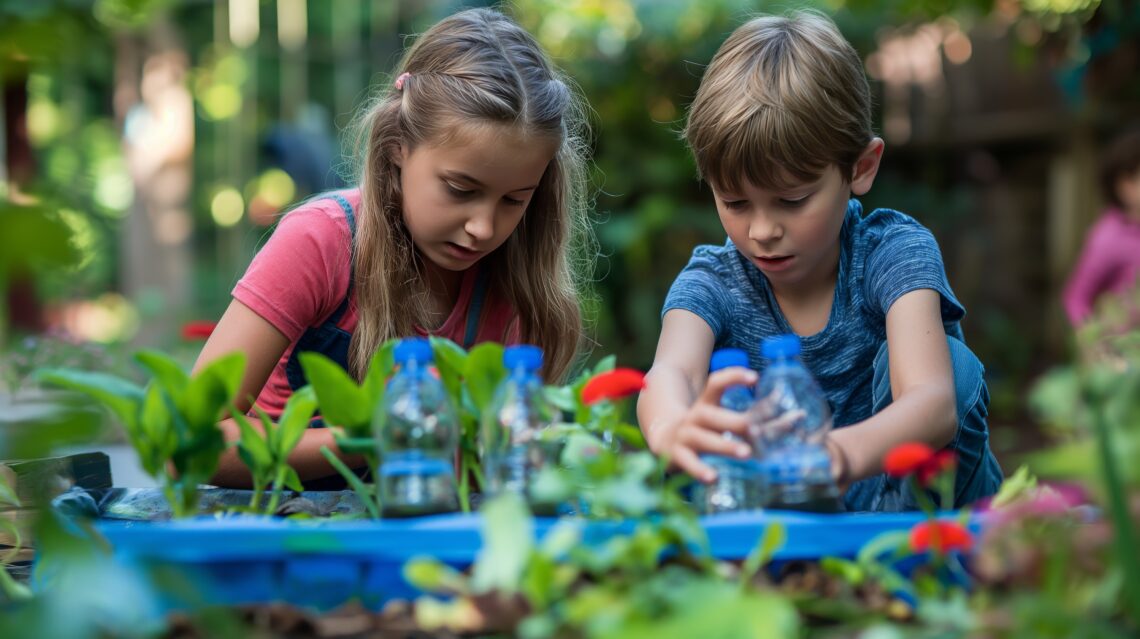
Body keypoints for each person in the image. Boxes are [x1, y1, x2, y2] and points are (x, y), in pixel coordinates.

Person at [193, 8, 594, 488]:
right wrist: (376, 438)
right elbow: (191, 443)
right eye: (460, 189)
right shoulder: (320, 241)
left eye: (514, 200)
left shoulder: (518, 285)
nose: (484, 228)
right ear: (397, 148)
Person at [636, 11, 1002, 512]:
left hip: (922, 504)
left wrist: (834, 455)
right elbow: (670, 372)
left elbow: (934, 402)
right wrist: (672, 425)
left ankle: (906, 558)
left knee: (954, 366)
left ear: (861, 168)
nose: (762, 231)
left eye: (792, 201)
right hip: (779, 506)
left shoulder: (890, 252)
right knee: (696, 427)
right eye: (736, 203)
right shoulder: (713, 281)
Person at [1062, 126, 1140, 327]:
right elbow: (1075, 298)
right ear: (1124, 185)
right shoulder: (1108, 237)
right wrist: (1092, 338)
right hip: (1125, 349)